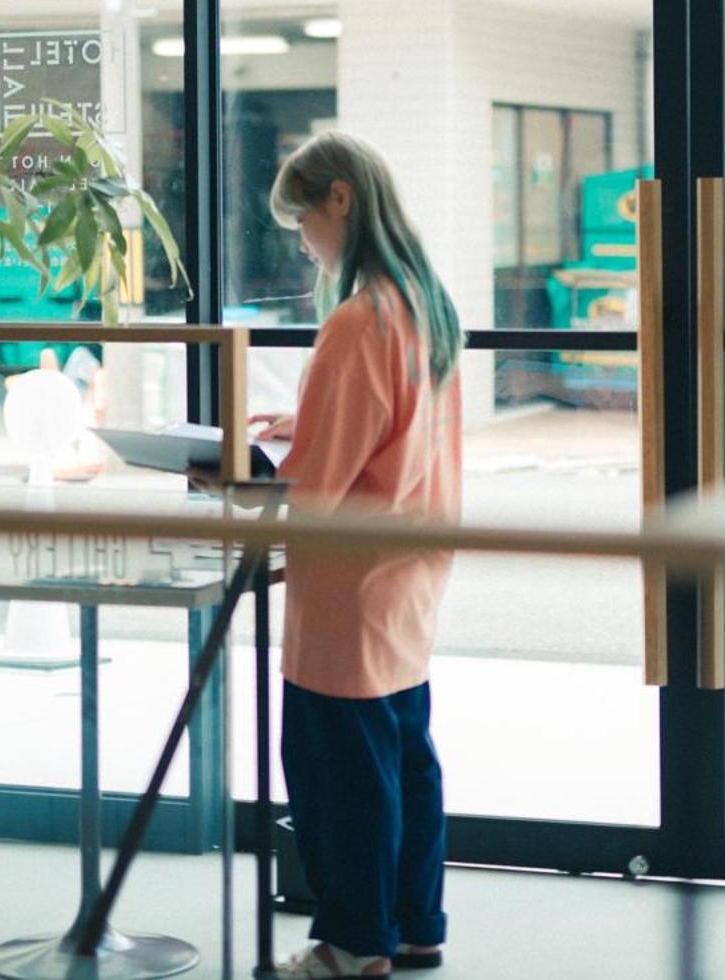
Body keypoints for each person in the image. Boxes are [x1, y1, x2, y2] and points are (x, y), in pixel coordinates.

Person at [259, 132, 463, 979]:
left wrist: (244, 482)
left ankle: (354, 942)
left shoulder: (355, 321)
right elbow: (390, 433)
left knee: (341, 776)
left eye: (302, 218)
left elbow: (320, 487)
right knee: (404, 758)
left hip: (348, 585)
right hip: (410, 568)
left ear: (339, 200)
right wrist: (305, 429)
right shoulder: (423, 303)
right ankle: (415, 926)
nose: (302, 239)